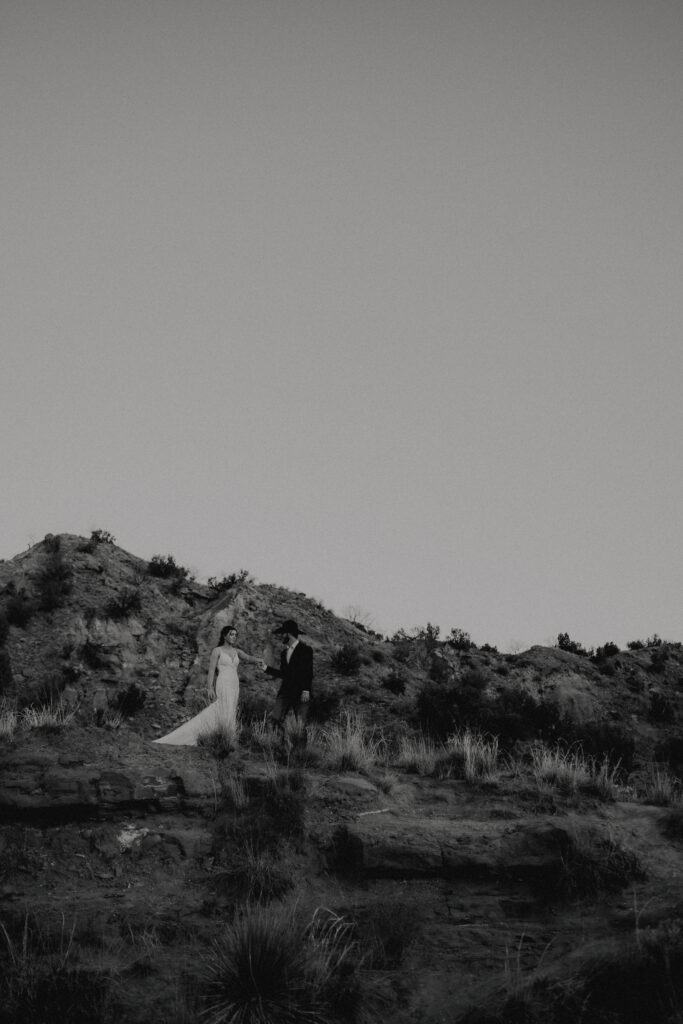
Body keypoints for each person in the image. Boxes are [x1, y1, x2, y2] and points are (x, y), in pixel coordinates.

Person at [153, 625, 264, 746]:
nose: (234, 637)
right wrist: (209, 687)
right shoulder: (217, 651)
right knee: (223, 706)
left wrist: (258, 660)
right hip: (223, 682)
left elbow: (248, 657)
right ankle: (215, 734)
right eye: (231, 634)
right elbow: (211, 670)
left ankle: (227, 737)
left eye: (236, 635)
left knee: (231, 709)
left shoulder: (237, 651)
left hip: (234, 684)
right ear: (224, 635)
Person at [263, 619, 313, 745]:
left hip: (301, 693)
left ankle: (300, 755)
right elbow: (284, 674)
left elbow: (309, 672)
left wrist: (306, 690)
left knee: (300, 724)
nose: (281, 636)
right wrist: (266, 669)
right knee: (276, 718)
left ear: (288, 634)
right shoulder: (284, 652)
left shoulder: (306, 650)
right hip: (285, 691)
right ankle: (279, 746)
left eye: (283, 633)